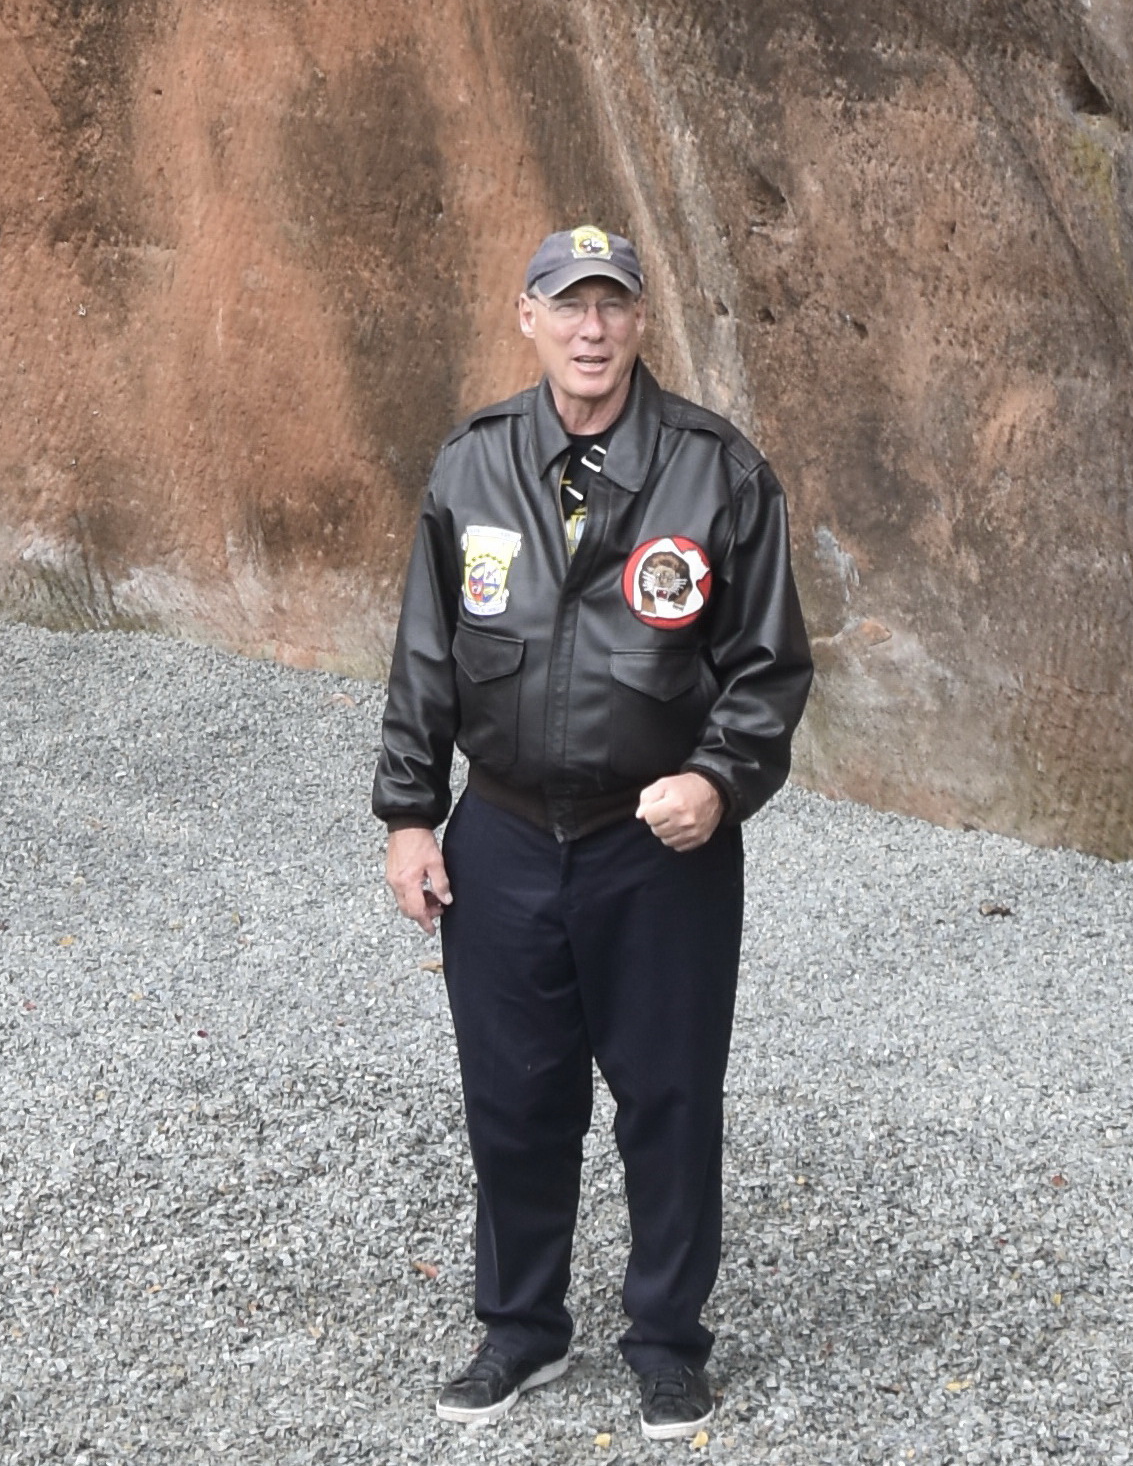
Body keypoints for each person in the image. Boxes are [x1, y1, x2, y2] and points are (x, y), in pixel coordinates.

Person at [377, 222, 813, 1438]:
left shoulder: (717, 472)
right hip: (505, 837)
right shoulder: (471, 468)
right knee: (514, 1097)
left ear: (639, 322)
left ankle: (668, 1342)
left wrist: (719, 781)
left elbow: (769, 669)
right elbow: (424, 658)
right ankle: (520, 1334)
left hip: (655, 848)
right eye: (566, 304)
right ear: (527, 318)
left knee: (668, 1096)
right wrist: (412, 815)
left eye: (612, 304)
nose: (590, 328)